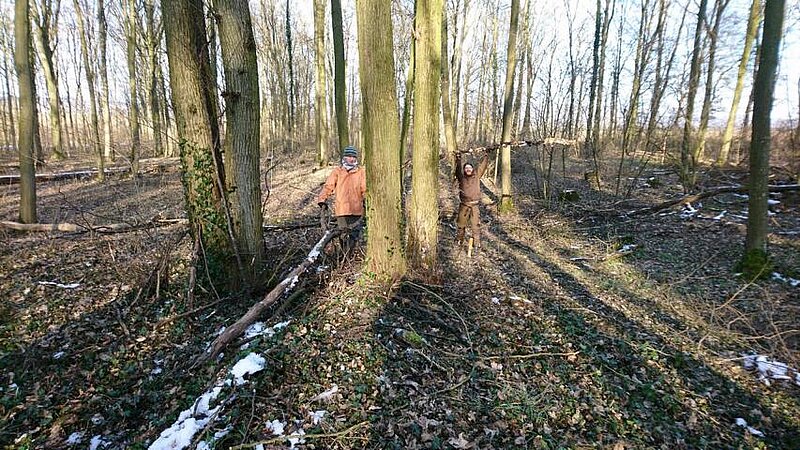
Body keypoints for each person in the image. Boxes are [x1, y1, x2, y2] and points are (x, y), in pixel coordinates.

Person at [317, 146, 366, 251]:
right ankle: (344, 256)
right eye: (349, 156)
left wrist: (367, 200)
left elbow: (364, 188)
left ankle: (350, 255)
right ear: (344, 158)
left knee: (354, 236)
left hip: (356, 210)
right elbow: (328, 186)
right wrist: (322, 199)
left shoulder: (361, 172)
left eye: (353, 157)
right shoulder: (337, 171)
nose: (351, 159)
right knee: (343, 236)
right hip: (342, 210)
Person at [455, 150, 489, 252]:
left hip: (474, 205)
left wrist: (486, 155)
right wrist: (458, 158)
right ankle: (459, 241)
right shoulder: (461, 178)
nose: (468, 169)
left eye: (470, 168)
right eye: (466, 168)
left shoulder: (477, 176)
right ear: (464, 170)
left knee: (475, 226)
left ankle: (477, 244)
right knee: (461, 225)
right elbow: (457, 170)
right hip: (464, 205)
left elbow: (483, 167)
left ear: (472, 169)